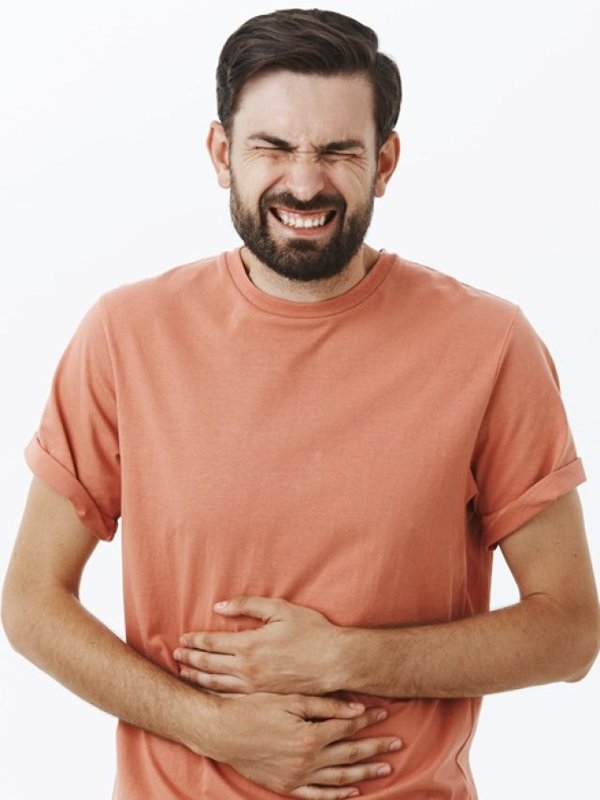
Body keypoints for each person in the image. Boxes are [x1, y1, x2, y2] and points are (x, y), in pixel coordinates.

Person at [2, 7, 599, 800]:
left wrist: (349, 656)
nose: (305, 181)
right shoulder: (125, 334)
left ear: (385, 162)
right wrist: (209, 727)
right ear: (223, 154)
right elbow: (32, 601)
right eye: (273, 147)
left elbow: (570, 630)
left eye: (338, 150)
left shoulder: (490, 345)